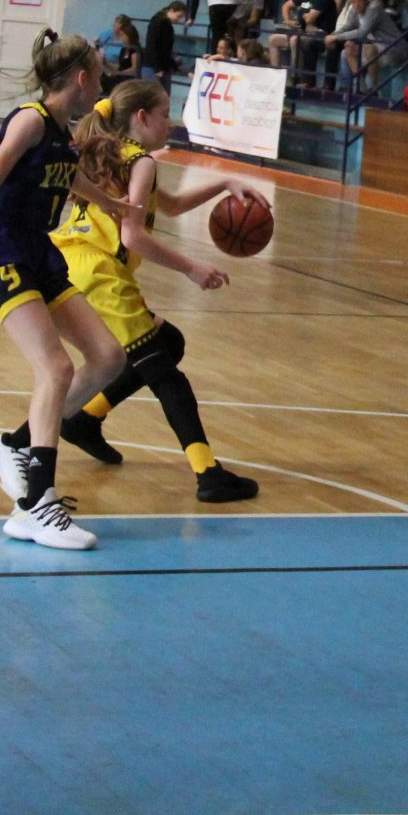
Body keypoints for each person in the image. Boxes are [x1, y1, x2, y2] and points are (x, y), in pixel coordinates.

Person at [0, 31, 138, 550]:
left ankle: (13, 446)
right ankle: (36, 505)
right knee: (57, 368)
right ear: (82, 79)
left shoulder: (63, 131)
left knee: (108, 358)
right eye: (101, 74)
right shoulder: (30, 121)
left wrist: (106, 201)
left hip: (37, 252)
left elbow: (60, 179)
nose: (104, 82)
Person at [44, 81, 265, 502]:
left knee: (167, 342)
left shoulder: (109, 154)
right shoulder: (140, 162)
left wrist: (224, 184)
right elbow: (132, 237)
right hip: (101, 277)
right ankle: (208, 473)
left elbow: (174, 205)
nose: (171, 121)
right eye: (165, 112)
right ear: (142, 117)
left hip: (68, 265)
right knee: (165, 373)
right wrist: (192, 268)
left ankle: (85, 420)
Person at [140, 0, 185, 83]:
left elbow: (166, 50)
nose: (178, 20)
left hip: (162, 67)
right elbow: (152, 46)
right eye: (178, 16)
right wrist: (157, 69)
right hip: (153, 67)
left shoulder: (168, 27)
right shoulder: (157, 23)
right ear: (171, 11)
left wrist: (176, 68)